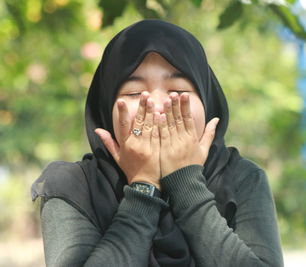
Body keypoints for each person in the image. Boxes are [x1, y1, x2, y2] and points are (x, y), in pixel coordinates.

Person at [31, 19, 284, 267]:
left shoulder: (243, 178)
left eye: (179, 90)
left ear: (206, 102)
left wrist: (185, 181)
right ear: (107, 107)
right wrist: (143, 187)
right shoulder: (73, 187)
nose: (157, 105)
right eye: (134, 93)